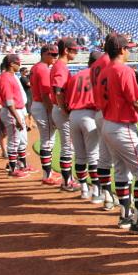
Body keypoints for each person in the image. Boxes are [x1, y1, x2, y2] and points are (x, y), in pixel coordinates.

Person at [99, 35, 138, 234]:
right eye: (128, 48)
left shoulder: (102, 72)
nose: (129, 51)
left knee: (121, 172)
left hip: (107, 125)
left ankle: (125, 216)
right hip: (122, 126)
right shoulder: (123, 70)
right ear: (121, 50)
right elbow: (135, 101)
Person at [66, 51, 102, 201]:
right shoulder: (98, 76)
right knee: (93, 156)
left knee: (80, 156)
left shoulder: (75, 76)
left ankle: (84, 190)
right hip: (90, 115)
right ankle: (96, 192)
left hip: (73, 115)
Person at [50, 37, 80, 192]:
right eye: (74, 50)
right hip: (61, 110)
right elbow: (58, 90)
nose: (76, 52)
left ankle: (68, 179)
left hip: (58, 109)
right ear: (66, 50)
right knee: (68, 147)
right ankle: (67, 182)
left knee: (68, 146)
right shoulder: (61, 66)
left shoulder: (59, 65)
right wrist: (64, 109)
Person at [30, 44, 61, 185]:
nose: (55, 57)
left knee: (48, 140)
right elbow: (45, 95)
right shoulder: (42, 69)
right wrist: (52, 113)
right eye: (52, 54)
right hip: (43, 106)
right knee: (47, 141)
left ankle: (48, 171)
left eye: (56, 55)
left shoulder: (37, 67)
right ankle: (47, 174)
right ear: (44, 54)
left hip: (39, 105)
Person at [90, 40, 115, 210]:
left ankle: (107, 197)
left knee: (104, 158)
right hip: (111, 113)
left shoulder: (95, 65)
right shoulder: (109, 62)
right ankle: (124, 202)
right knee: (121, 161)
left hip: (98, 112)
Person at [0, 54, 29, 178]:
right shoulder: (6, 77)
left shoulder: (10, 76)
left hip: (15, 110)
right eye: (18, 63)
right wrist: (16, 117)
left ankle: (20, 165)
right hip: (12, 111)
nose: (19, 65)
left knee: (19, 140)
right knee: (14, 141)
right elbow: (9, 100)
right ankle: (12, 169)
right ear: (11, 64)